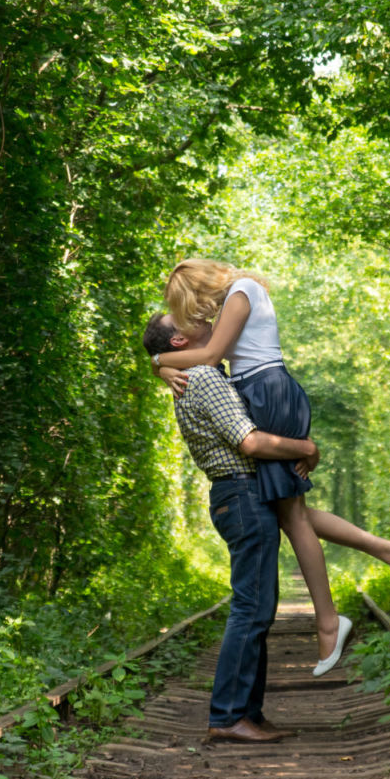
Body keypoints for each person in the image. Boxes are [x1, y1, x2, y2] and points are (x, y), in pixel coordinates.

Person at [150, 259, 390, 676]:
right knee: (289, 512)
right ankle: (389, 551)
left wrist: (159, 362)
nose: (195, 317)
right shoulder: (235, 298)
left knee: (293, 516)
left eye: (189, 307)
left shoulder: (241, 292)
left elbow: (209, 356)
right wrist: (164, 366)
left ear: (199, 289)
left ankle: (329, 623)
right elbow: (207, 357)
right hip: (260, 392)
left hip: (267, 391)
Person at [143, 312, 312, 742]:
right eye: (188, 316)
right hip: (242, 495)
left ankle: (247, 714)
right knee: (251, 607)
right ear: (179, 341)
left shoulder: (198, 372)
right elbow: (249, 441)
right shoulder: (204, 377)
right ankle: (228, 717)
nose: (202, 315)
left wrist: (158, 365)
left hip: (238, 496)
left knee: (259, 607)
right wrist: (306, 447)